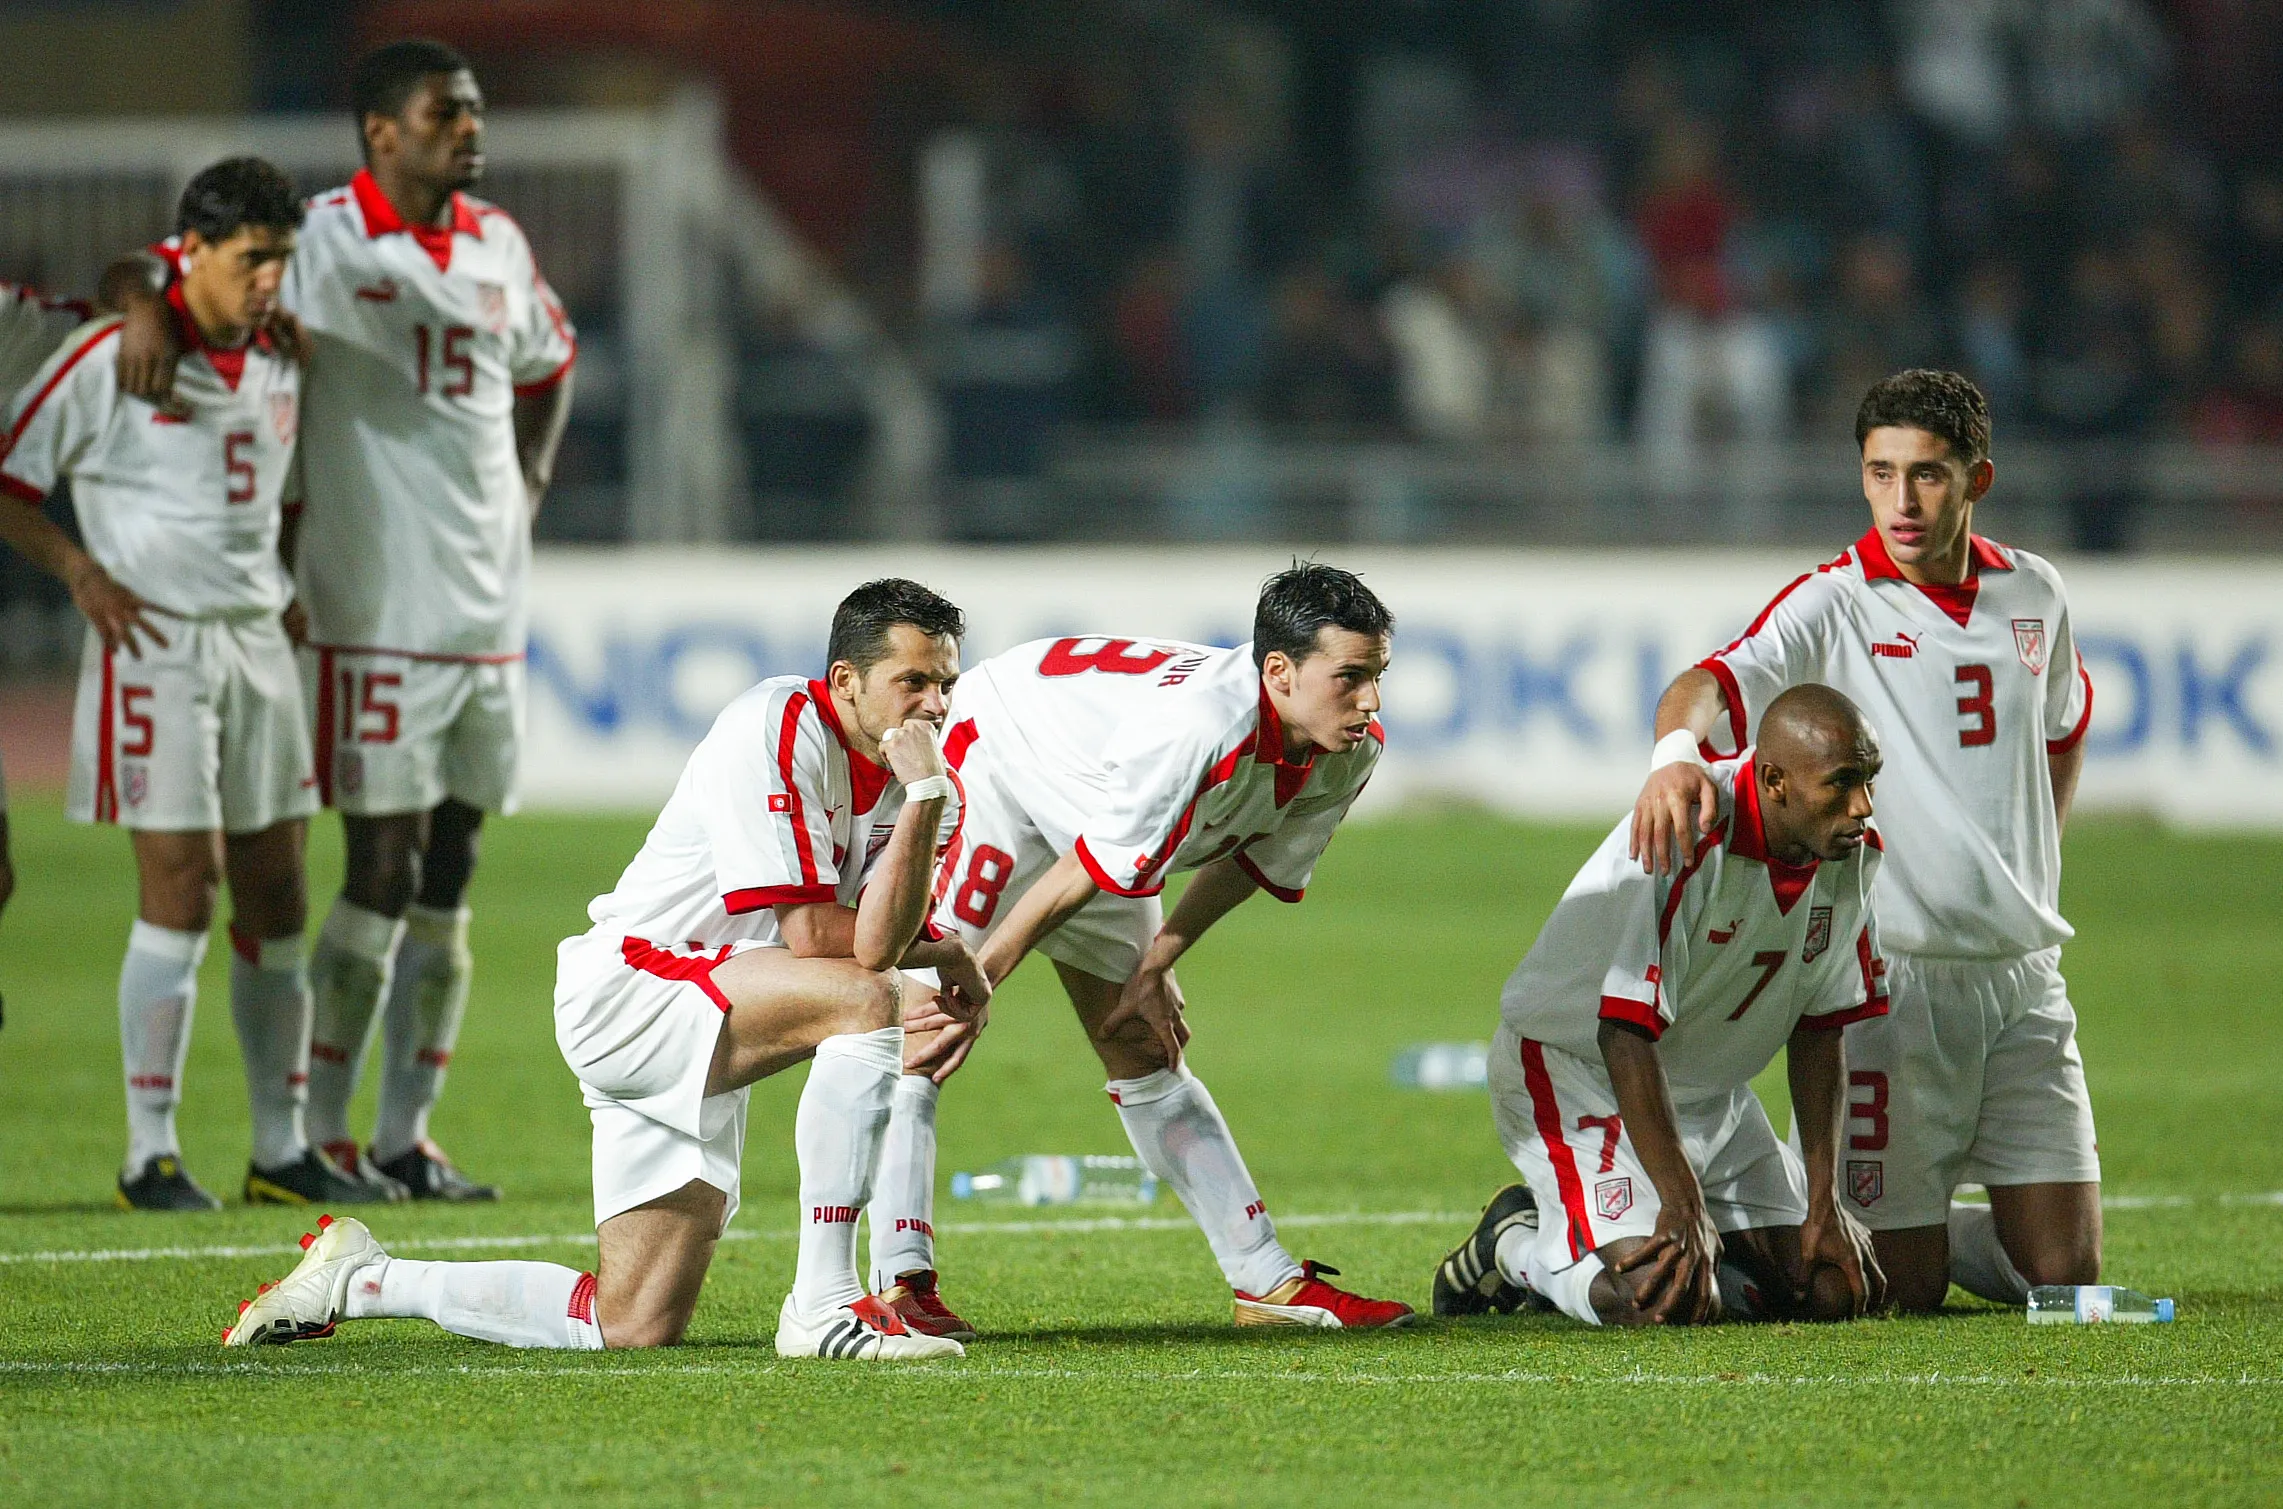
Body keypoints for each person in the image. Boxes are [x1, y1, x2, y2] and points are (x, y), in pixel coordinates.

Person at [227, 580, 986, 1358]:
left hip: (710, 1002)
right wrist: (936, 920)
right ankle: (824, 1304)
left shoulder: (929, 788)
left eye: (946, 685)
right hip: (632, 988)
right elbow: (839, 942)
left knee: (629, 1322)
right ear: (845, 683)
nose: (933, 705)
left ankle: (362, 1278)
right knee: (869, 996)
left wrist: (936, 864)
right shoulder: (778, 723)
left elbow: (880, 929)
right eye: (914, 682)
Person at [112, 38, 577, 1201]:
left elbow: (552, 359)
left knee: (452, 869)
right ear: (382, 130)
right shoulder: (314, 238)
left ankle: (404, 1139)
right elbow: (149, 269)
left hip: (487, 613)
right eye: (444, 112)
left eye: (473, 110)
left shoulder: (499, 242)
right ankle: (315, 1137)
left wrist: (531, 478)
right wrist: (142, 319)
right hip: (371, 606)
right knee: (381, 861)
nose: (469, 129)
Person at [1630, 369, 2099, 1312]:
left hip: (2023, 976)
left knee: (2061, 1279)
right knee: (1899, 1290)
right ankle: (1786, 1225)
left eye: (1926, 474)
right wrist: (1674, 754)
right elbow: (1708, 681)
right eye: (1880, 473)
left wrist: (2022, 864)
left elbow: (2061, 732)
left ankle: (1962, 1230)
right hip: (1895, 983)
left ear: (1977, 480)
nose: (1901, 500)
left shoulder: (2033, 594)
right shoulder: (1830, 602)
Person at [863, 563, 1415, 1337]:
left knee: (1140, 1035)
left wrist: (1158, 959)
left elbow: (1246, 862)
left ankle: (1266, 1281)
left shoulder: (1349, 747)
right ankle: (898, 1280)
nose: (1370, 701)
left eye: (1377, 675)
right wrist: (979, 981)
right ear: (1279, 672)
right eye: (1350, 677)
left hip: (1096, 807)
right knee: (928, 1021)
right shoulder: (1198, 728)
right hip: (1003, 763)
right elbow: (1083, 867)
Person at [0, 159, 372, 1210]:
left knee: (278, 890)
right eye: (253, 260)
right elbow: (11, 487)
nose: (270, 282)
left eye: (281, 262)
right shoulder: (107, 360)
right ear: (193, 252)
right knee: (180, 887)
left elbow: (280, 497)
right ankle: (147, 1153)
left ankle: (278, 1145)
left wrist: (281, 583)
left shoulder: (281, 358)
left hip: (257, 643)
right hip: (153, 643)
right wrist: (81, 570)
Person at [1434, 685, 1889, 1326]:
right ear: (1775, 781)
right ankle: (1513, 1246)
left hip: (1708, 1098)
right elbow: (1624, 1032)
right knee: (1657, 1300)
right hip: (1577, 1075)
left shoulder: (1852, 855)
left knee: (1831, 1291)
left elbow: (1821, 1029)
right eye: (1841, 784)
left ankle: (1679, 1250)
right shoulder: (1687, 831)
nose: (1861, 806)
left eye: (1868, 780)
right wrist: (1684, 1203)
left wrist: (1824, 1204)